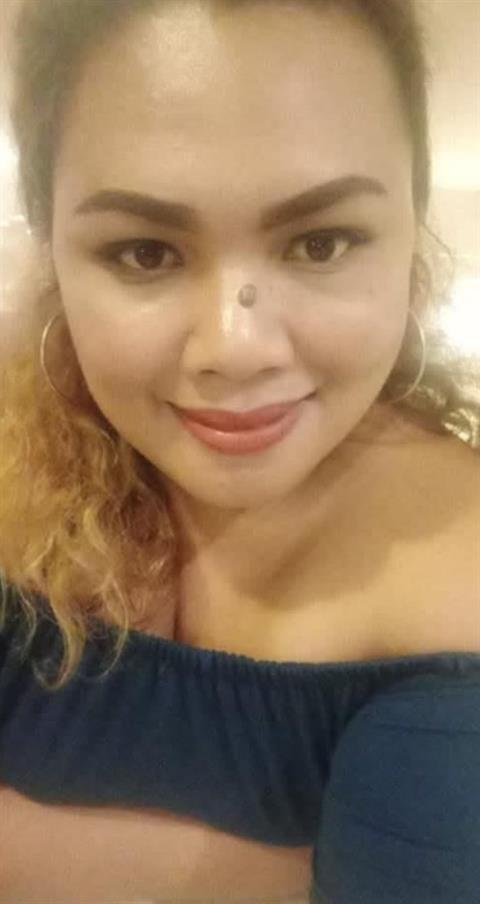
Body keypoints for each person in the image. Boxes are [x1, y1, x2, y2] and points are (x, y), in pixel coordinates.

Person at [0, 0, 479, 901]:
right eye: (145, 253)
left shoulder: (462, 598)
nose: (236, 347)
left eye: (320, 243)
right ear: (55, 251)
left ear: (411, 234)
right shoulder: (24, 466)